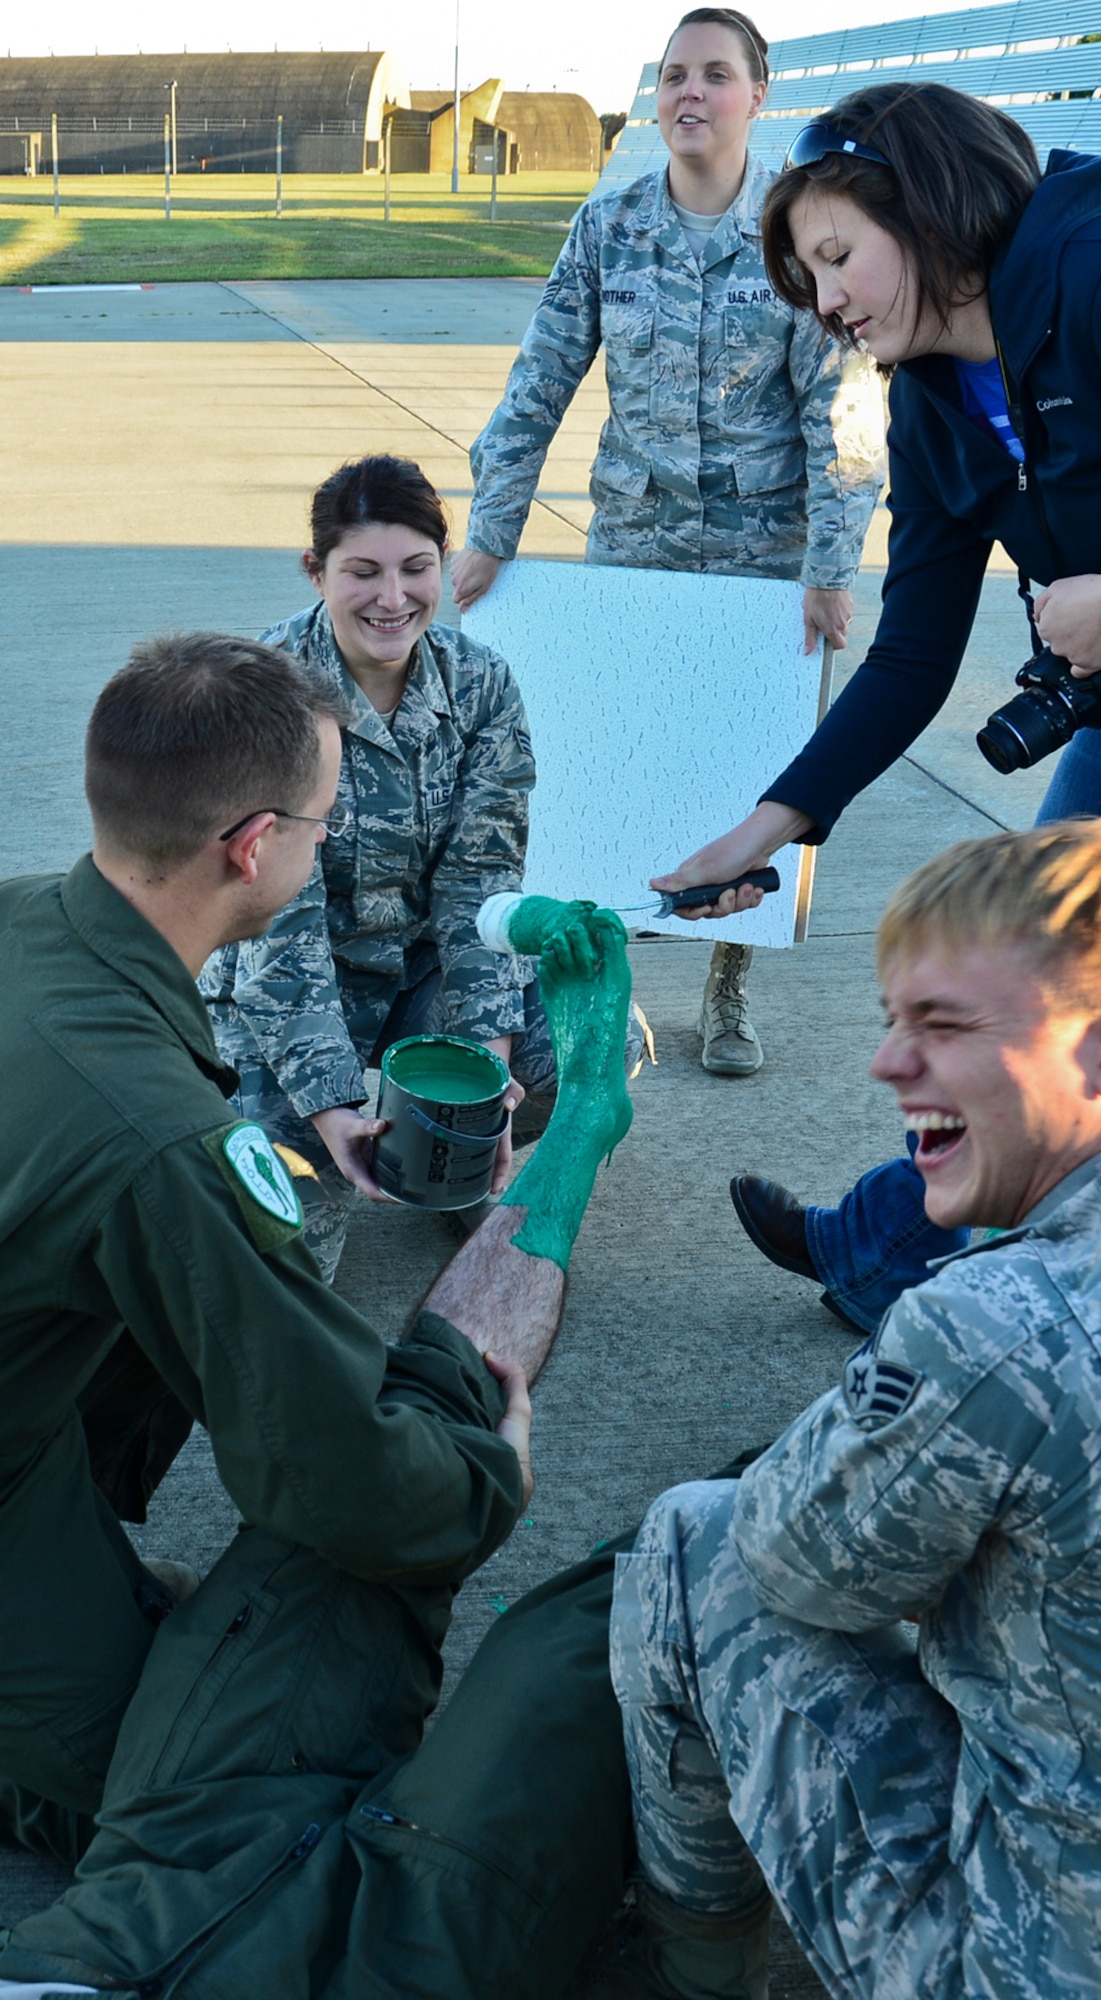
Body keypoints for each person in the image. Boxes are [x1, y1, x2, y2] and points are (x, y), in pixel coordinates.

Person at [0, 633, 639, 1994]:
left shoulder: (22, 927)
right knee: (167, 1780)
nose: (333, 839)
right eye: (325, 819)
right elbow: (340, 1470)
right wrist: (476, 1470)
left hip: (26, 1415)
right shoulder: (161, 1143)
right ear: (251, 847)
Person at [602, 819, 1101, 2000]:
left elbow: (794, 1568)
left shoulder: (1000, 1322)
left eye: (943, 1026)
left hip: (1059, 1972)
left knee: (696, 1545)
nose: (887, 1062)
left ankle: (691, 1960)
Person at [651, 80, 1101, 1330]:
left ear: (926, 207)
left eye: (839, 257)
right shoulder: (929, 395)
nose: (830, 303)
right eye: (811, 281)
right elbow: (913, 649)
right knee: (1027, 993)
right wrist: (774, 825)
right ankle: (899, 1257)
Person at [451, 7, 886, 1081]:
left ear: (757, 95)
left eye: (716, 76)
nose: (692, 94)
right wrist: (492, 532)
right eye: (674, 77)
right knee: (612, 762)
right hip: (634, 550)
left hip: (761, 563)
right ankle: (607, 990)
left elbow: (843, 406)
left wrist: (832, 565)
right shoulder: (609, 229)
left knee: (749, 775)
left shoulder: (797, 235)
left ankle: (728, 978)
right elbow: (539, 379)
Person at [201, 452, 619, 1283]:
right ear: (315, 570)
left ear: (442, 565)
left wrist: (483, 1087)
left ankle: (449, 1162)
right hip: (292, 994)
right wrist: (330, 1112)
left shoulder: (480, 684)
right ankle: (285, 1132)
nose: (393, 599)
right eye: (362, 572)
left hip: (423, 974)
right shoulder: (265, 695)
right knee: (286, 1267)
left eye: (416, 569)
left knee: (589, 1045)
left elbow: (483, 884)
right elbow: (276, 937)